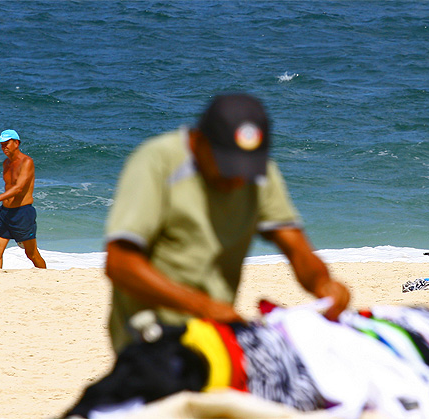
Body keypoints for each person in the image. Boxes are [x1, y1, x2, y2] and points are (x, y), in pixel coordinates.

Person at [104, 93, 351, 352]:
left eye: (246, 168)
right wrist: (204, 307)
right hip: (147, 335)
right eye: (227, 166)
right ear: (198, 141)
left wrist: (324, 285)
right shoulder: (157, 162)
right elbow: (120, 263)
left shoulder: (259, 175)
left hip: (215, 332)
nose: (237, 180)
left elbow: (293, 244)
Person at [0, 129, 47, 269]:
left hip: (22, 213)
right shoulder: (6, 163)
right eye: (2, 144)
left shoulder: (27, 162)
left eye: (7, 143)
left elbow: (19, 188)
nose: (4, 147)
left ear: (16, 143)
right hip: (5, 213)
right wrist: (0, 202)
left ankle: (46, 277)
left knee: (31, 253)